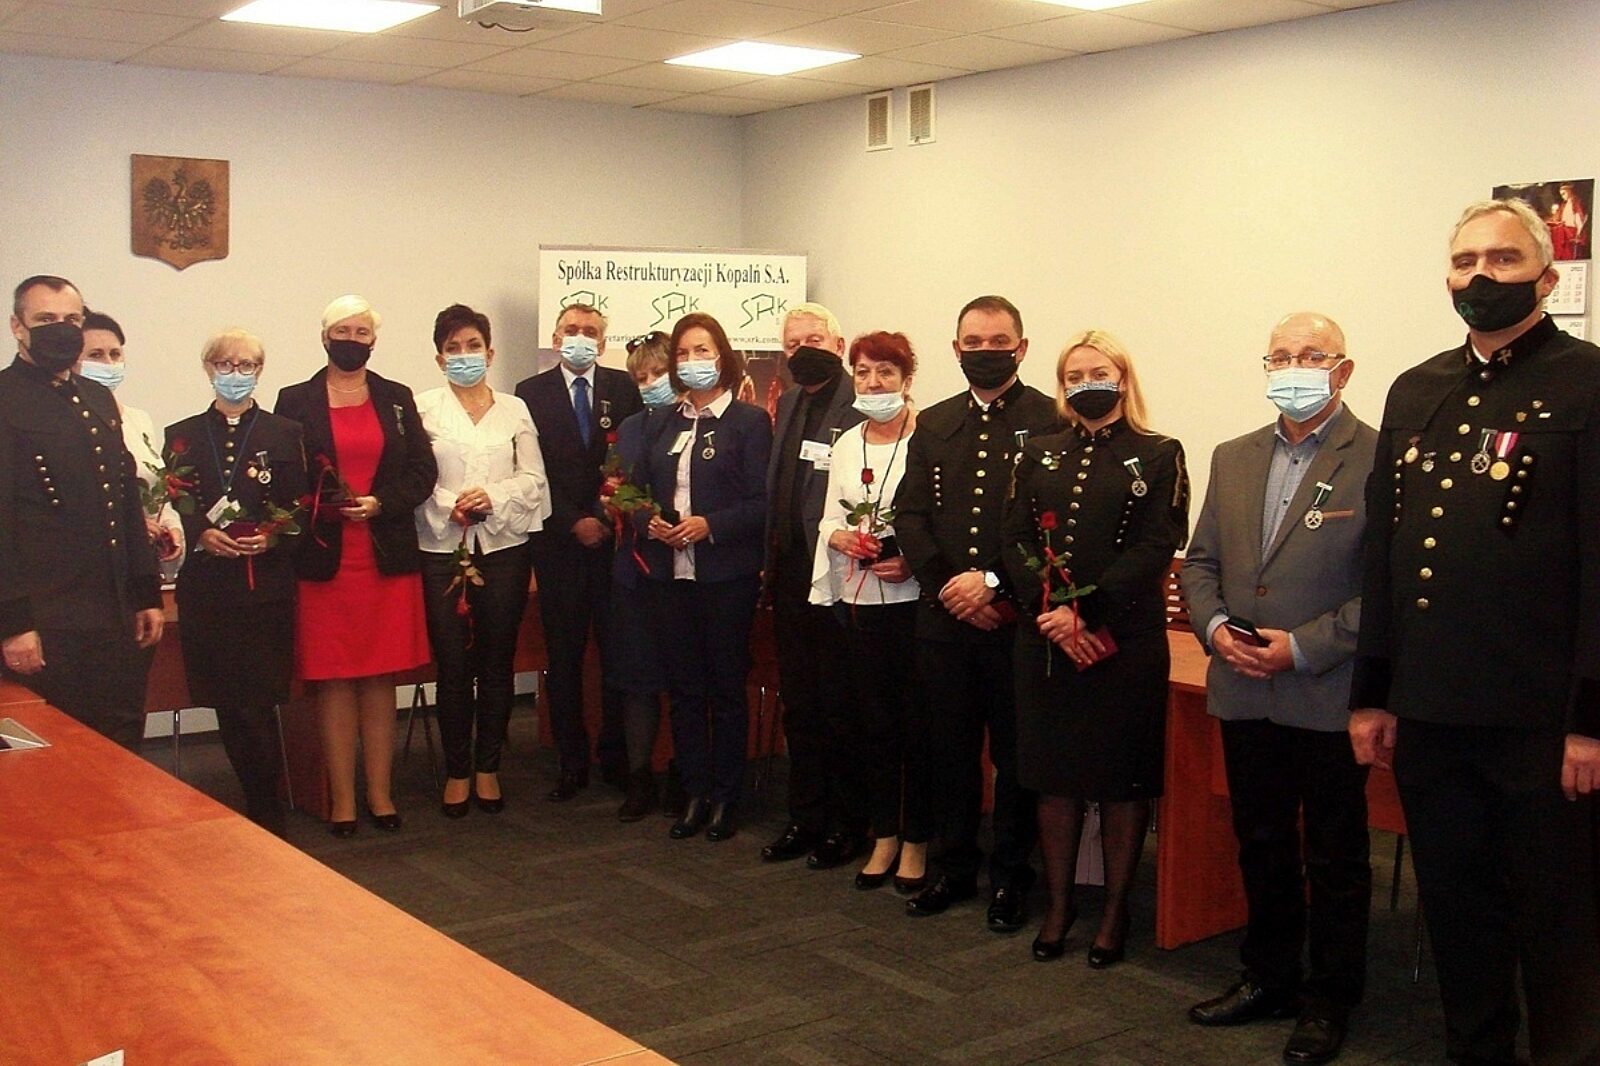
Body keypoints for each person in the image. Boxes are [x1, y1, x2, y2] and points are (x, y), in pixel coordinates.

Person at [1349, 198, 1600, 1066]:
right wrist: (1372, 697)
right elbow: (1386, 556)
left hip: (1540, 719)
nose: (1480, 276)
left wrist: (1591, 720)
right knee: (1456, 907)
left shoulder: (1588, 382)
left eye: (1502, 259)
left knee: (1559, 920)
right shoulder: (1417, 388)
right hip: (1432, 712)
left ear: (1547, 277)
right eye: (1465, 262)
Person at [1181, 312, 1375, 1064]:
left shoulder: (1381, 456)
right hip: (1242, 686)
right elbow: (1201, 562)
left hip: (1327, 691)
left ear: (1343, 370)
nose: (1294, 369)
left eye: (1311, 355)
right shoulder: (1233, 456)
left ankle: (1330, 999)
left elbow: (1386, 589)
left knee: (1335, 856)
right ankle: (1268, 976)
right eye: (1281, 357)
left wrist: (1304, 647)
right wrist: (1214, 627)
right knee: (1259, 840)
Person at [1003, 330, 1188, 969]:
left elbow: (1157, 543)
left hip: (1124, 640)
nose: (1088, 383)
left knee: (1120, 782)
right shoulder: (1038, 452)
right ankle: (1059, 906)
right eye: (1075, 375)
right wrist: (1051, 612)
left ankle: (1114, 911)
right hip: (1047, 640)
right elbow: (1015, 537)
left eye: (1099, 371)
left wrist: (1088, 610)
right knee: (1052, 779)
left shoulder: (1159, 453)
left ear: (1123, 378)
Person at [894, 295, 1057, 930]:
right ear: (956, 348)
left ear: (1021, 348)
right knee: (949, 751)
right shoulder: (934, 422)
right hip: (944, 622)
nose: (985, 352)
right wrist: (948, 588)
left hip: (1016, 620)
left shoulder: (1050, 419)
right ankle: (954, 867)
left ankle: (1011, 878)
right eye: (974, 342)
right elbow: (911, 515)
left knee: (1016, 757)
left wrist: (994, 586)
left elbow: (1052, 528)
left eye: (998, 342)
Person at [275, 294, 435, 837]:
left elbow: (422, 471)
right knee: (334, 680)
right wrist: (323, 507)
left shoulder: (396, 397)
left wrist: (380, 503)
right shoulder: (294, 400)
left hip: (384, 556)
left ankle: (381, 795)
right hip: (325, 560)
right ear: (325, 337)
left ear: (374, 340)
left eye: (361, 332)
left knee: (379, 678)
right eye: (341, 331)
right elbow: (285, 478)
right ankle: (342, 800)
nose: (351, 340)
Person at [0, 274, 165, 748]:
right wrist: (13, 624)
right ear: (17, 326)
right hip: (46, 620)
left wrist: (145, 592)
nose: (61, 328)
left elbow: (125, 501)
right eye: (45, 319)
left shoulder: (96, 398)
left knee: (120, 743)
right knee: (54, 756)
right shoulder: (6, 398)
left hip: (112, 614)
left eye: (71, 319)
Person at [635, 313, 771, 842]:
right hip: (670, 577)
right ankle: (694, 791)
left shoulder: (749, 422)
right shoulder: (661, 421)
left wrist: (710, 525)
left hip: (726, 576)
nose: (692, 362)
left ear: (723, 357)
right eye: (684, 353)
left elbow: (761, 502)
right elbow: (637, 491)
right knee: (685, 690)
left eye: (702, 351)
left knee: (726, 689)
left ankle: (727, 796)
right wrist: (648, 521)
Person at [166, 329, 307, 836]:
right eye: (225, 364)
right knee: (229, 702)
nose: (235, 373)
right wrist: (199, 533)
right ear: (208, 368)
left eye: (246, 365)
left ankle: (268, 810)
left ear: (259, 371)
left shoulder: (285, 433)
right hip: (209, 591)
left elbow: (301, 505)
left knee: (259, 701)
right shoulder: (180, 435)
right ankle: (255, 797)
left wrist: (273, 536)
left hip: (265, 588)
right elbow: (170, 504)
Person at [415, 304, 549, 819]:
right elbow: (415, 477)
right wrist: (453, 503)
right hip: (441, 549)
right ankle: (456, 770)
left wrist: (493, 496)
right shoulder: (423, 409)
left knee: (497, 662)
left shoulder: (515, 409)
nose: (464, 355)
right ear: (439, 358)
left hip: (503, 550)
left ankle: (488, 767)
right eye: (453, 348)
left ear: (490, 353)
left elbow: (534, 479)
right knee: (453, 665)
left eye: (473, 346)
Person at [810, 331, 929, 893]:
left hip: (915, 606)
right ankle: (884, 833)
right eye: (862, 372)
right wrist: (839, 538)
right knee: (873, 723)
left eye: (885, 372)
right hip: (859, 603)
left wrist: (912, 560)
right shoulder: (846, 443)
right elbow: (829, 518)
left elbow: (942, 521)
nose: (873, 383)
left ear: (906, 379)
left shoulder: (928, 438)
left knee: (916, 727)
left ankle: (918, 839)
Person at [515, 303, 643, 801]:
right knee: (564, 658)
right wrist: (573, 520)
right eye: (572, 330)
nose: (581, 337)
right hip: (558, 544)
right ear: (555, 338)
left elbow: (629, 461)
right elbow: (533, 469)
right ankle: (571, 760)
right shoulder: (530, 393)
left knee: (617, 654)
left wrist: (603, 515)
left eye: (590, 332)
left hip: (613, 543)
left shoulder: (624, 388)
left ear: (603, 343)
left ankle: (614, 755)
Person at [760, 302, 867, 870]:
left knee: (840, 705)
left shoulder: (861, 401)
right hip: (790, 576)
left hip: (841, 578)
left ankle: (847, 824)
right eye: (792, 343)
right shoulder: (789, 401)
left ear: (839, 345)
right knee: (800, 704)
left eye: (814, 340)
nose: (803, 350)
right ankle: (805, 817)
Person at [607, 331, 677, 821]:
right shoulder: (629, 427)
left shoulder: (701, 421)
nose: (651, 383)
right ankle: (638, 777)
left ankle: (685, 775)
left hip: (685, 569)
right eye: (642, 377)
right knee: (637, 679)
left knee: (687, 681)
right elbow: (615, 486)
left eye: (659, 373)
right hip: (635, 571)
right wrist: (633, 513)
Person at [78, 311, 185, 582]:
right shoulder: (68, 423)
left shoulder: (139, 420)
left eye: (115, 354)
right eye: (95, 355)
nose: (108, 363)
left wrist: (170, 528)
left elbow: (157, 493)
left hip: (143, 565)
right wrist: (133, 526)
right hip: (94, 568)